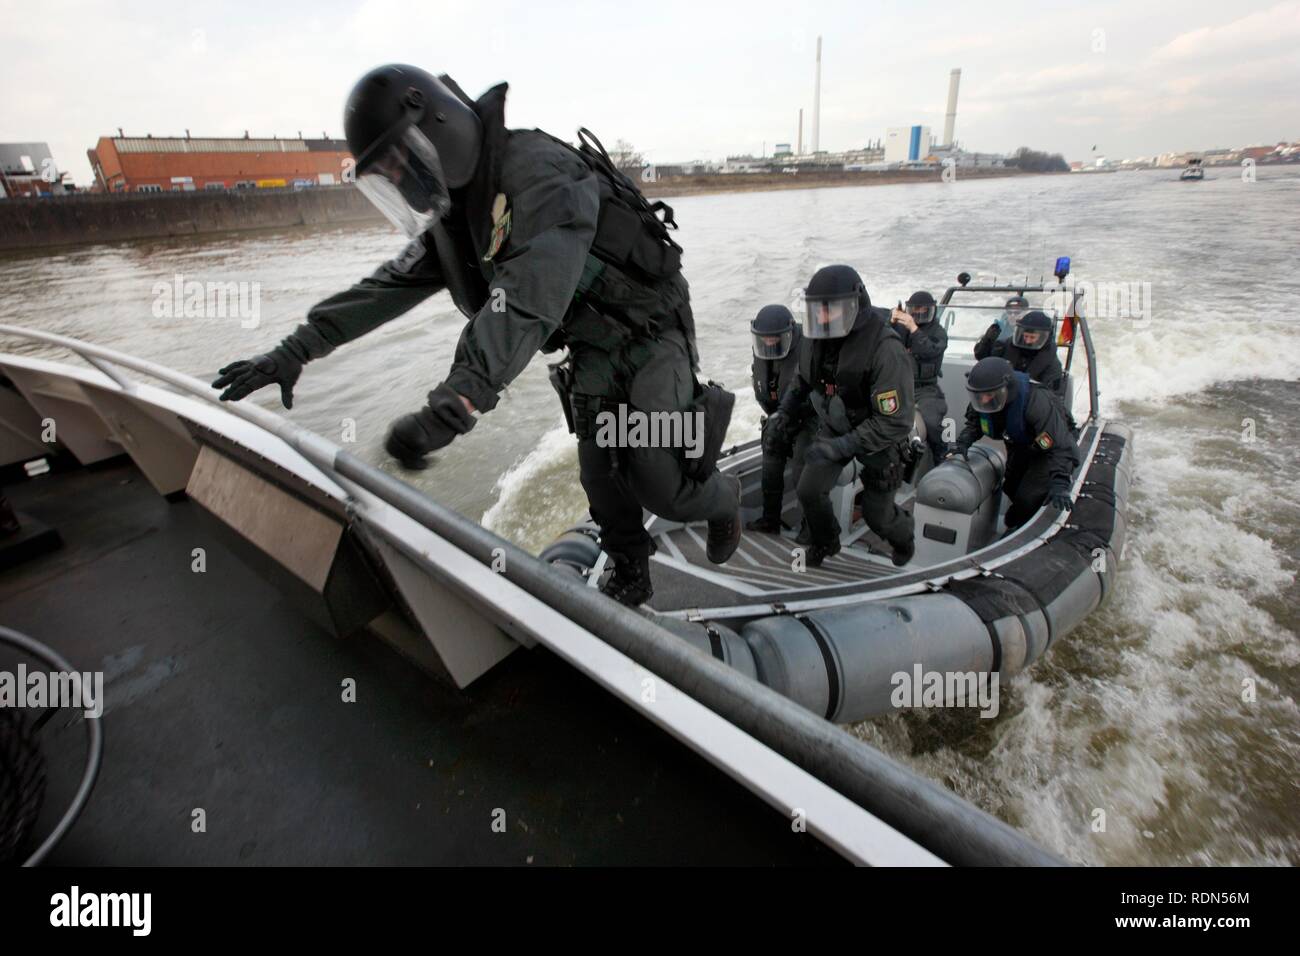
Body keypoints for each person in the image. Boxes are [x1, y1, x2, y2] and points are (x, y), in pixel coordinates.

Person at [211, 64, 741, 607]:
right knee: (601, 472)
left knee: (657, 480)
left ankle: (724, 499)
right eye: (388, 173)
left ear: (435, 125)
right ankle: (631, 569)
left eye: (400, 160)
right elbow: (386, 286)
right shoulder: (459, 216)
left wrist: (456, 401)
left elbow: (528, 294)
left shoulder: (541, 172)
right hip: (593, 345)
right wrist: (294, 351)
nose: (401, 178)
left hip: (651, 333)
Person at [768, 265, 916, 568]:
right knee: (809, 490)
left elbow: (894, 421)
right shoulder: (814, 338)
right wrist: (785, 411)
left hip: (878, 438)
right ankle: (826, 541)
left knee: (878, 517)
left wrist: (841, 446)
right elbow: (802, 381)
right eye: (817, 311)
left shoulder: (886, 350)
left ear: (854, 306)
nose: (822, 319)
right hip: (837, 424)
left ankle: (905, 537)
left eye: (830, 311)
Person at [952, 357, 1079, 531]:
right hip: (1021, 444)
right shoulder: (984, 395)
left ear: (1006, 389)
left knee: (1029, 496)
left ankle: (1024, 524)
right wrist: (963, 442)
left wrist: (1060, 482)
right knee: (1011, 485)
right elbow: (975, 424)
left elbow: (1060, 444)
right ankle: (1019, 515)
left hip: (1048, 448)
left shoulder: (1036, 401)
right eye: (979, 396)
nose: (983, 400)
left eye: (989, 395)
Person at [746, 304, 807, 533]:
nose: (769, 343)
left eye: (775, 339)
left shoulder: (808, 345)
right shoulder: (760, 346)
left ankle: (808, 526)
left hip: (808, 416)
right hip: (778, 416)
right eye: (765, 339)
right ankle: (770, 520)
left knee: (804, 463)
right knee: (770, 453)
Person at [891, 290, 948, 465]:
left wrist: (914, 329)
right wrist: (892, 323)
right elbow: (885, 344)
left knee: (931, 421)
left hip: (925, 389)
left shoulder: (938, 332)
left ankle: (941, 457)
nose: (919, 313)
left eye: (924, 310)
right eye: (915, 310)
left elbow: (930, 350)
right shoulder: (901, 328)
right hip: (898, 385)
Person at [974, 308, 1063, 390]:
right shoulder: (1005, 346)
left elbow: (1053, 396)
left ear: (1044, 337)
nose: (1027, 340)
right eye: (1025, 336)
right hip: (1001, 394)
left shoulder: (1052, 364)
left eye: (1032, 337)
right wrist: (987, 342)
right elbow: (984, 362)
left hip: (1031, 400)